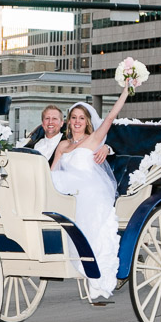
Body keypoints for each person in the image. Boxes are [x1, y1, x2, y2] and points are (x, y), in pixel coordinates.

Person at [50, 82, 131, 301]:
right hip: (64, 186)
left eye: (81, 118)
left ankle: (95, 269)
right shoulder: (63, 145)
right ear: (69, 121)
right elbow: (51, 171)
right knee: (52, 182)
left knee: (85, 207)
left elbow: (111, 117)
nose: (77, 122)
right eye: (73, 117)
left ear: (87, 122)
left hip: (88, 189)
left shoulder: (93, 140)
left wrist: (126, 90)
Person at [23, 105, 110, 165]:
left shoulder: (67, 141)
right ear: (42, 123)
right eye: (47, 119)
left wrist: (106, 147)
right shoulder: (33, 143)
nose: (50, 122)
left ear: (62, 123)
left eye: (54, 119)